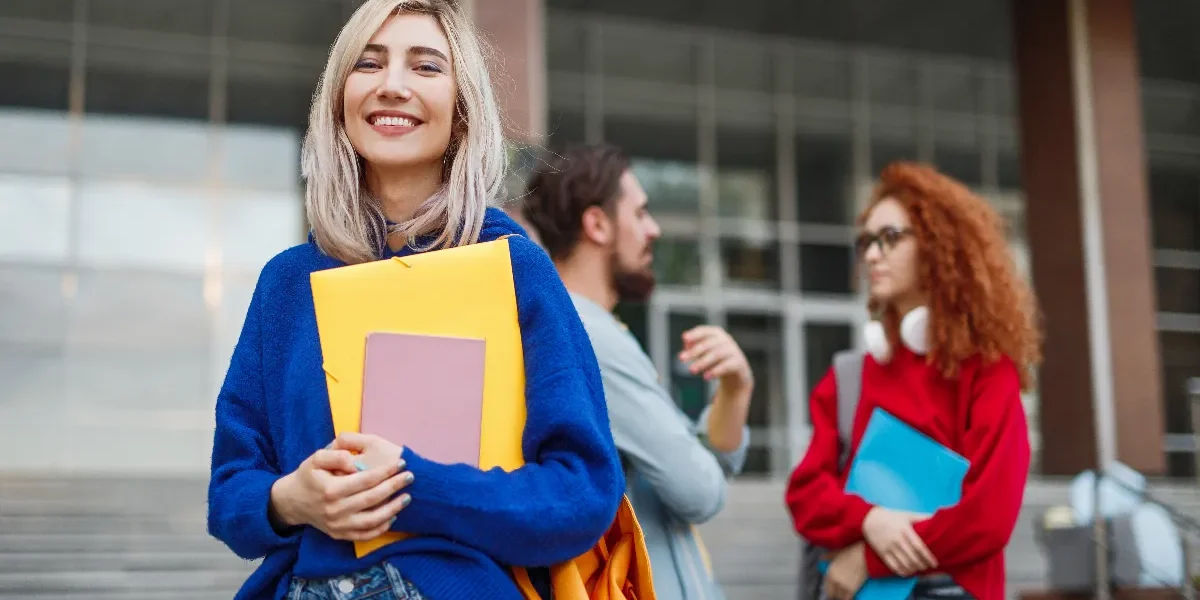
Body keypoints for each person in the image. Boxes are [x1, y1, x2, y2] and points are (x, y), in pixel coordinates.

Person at [206, 2, 625, 599]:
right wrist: (287, 499)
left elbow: (581, 493)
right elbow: (231, 490)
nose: (392, 86)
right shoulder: (287, 283)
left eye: (426, 67)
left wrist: (412, 486)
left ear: (462, 110)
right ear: (339, 97)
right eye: (368, 64)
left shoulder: (512, 268)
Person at [785, 162, 1040, 600]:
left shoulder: (987, 372)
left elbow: (988, 517)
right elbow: (806, 494)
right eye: (866, 241)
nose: (870, 255)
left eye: (890, 238)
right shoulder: (849, 378)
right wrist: (869, 519)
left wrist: (868, 558)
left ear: (941, 247)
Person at [521, 143, 754, 600]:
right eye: (641, 213)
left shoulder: (580, 327)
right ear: (598, 224)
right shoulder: (591, 336)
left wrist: (736, 387)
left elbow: (707, 458)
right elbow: (699, 489)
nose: (654, 229)